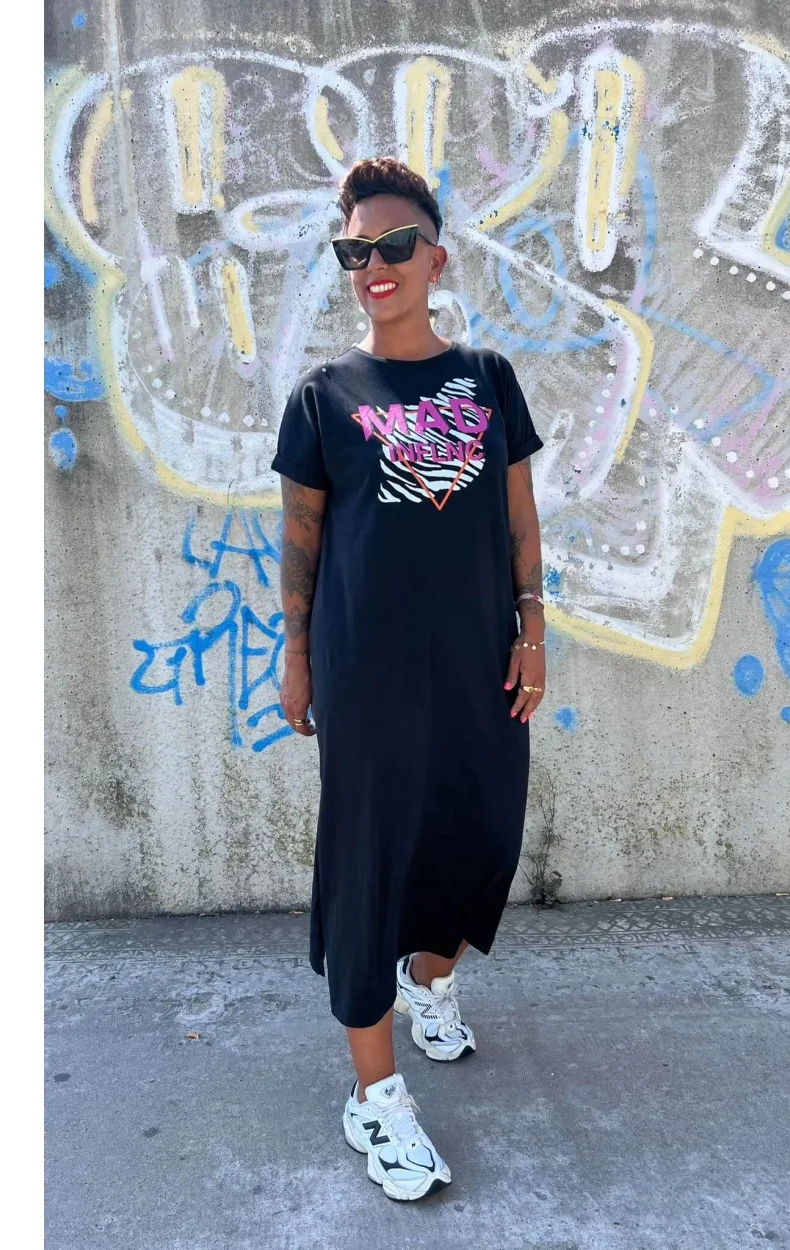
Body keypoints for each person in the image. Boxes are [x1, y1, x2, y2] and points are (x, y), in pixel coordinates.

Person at [271, 156, 547, 1202]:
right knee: (369, 861)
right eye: (355, 250)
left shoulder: (487, 377)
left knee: (482, 833)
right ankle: (373, 1094)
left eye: (393, 244)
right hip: (366, 672)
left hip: (478, 662)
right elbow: (301, 539)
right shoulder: (323, 395)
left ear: (436, 257)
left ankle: (429, 979)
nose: (373, 264)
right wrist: (296, 653)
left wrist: (532, 626)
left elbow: (518, 517)